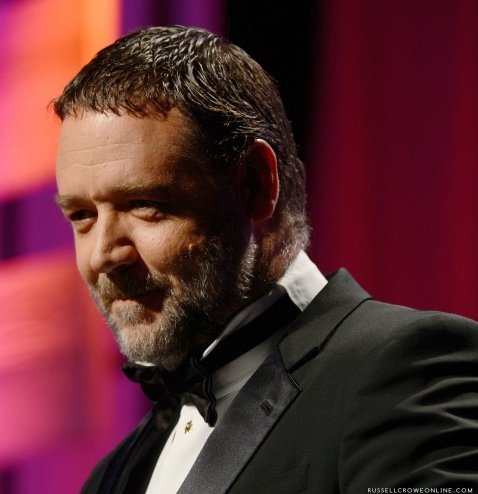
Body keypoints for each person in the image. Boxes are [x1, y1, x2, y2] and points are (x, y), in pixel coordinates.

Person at [53, 26, 478, 494]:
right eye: (81, 216)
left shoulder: (407, 369)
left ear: (255, 186)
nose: (103, 255)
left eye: (144, 205)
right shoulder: (111, 476)